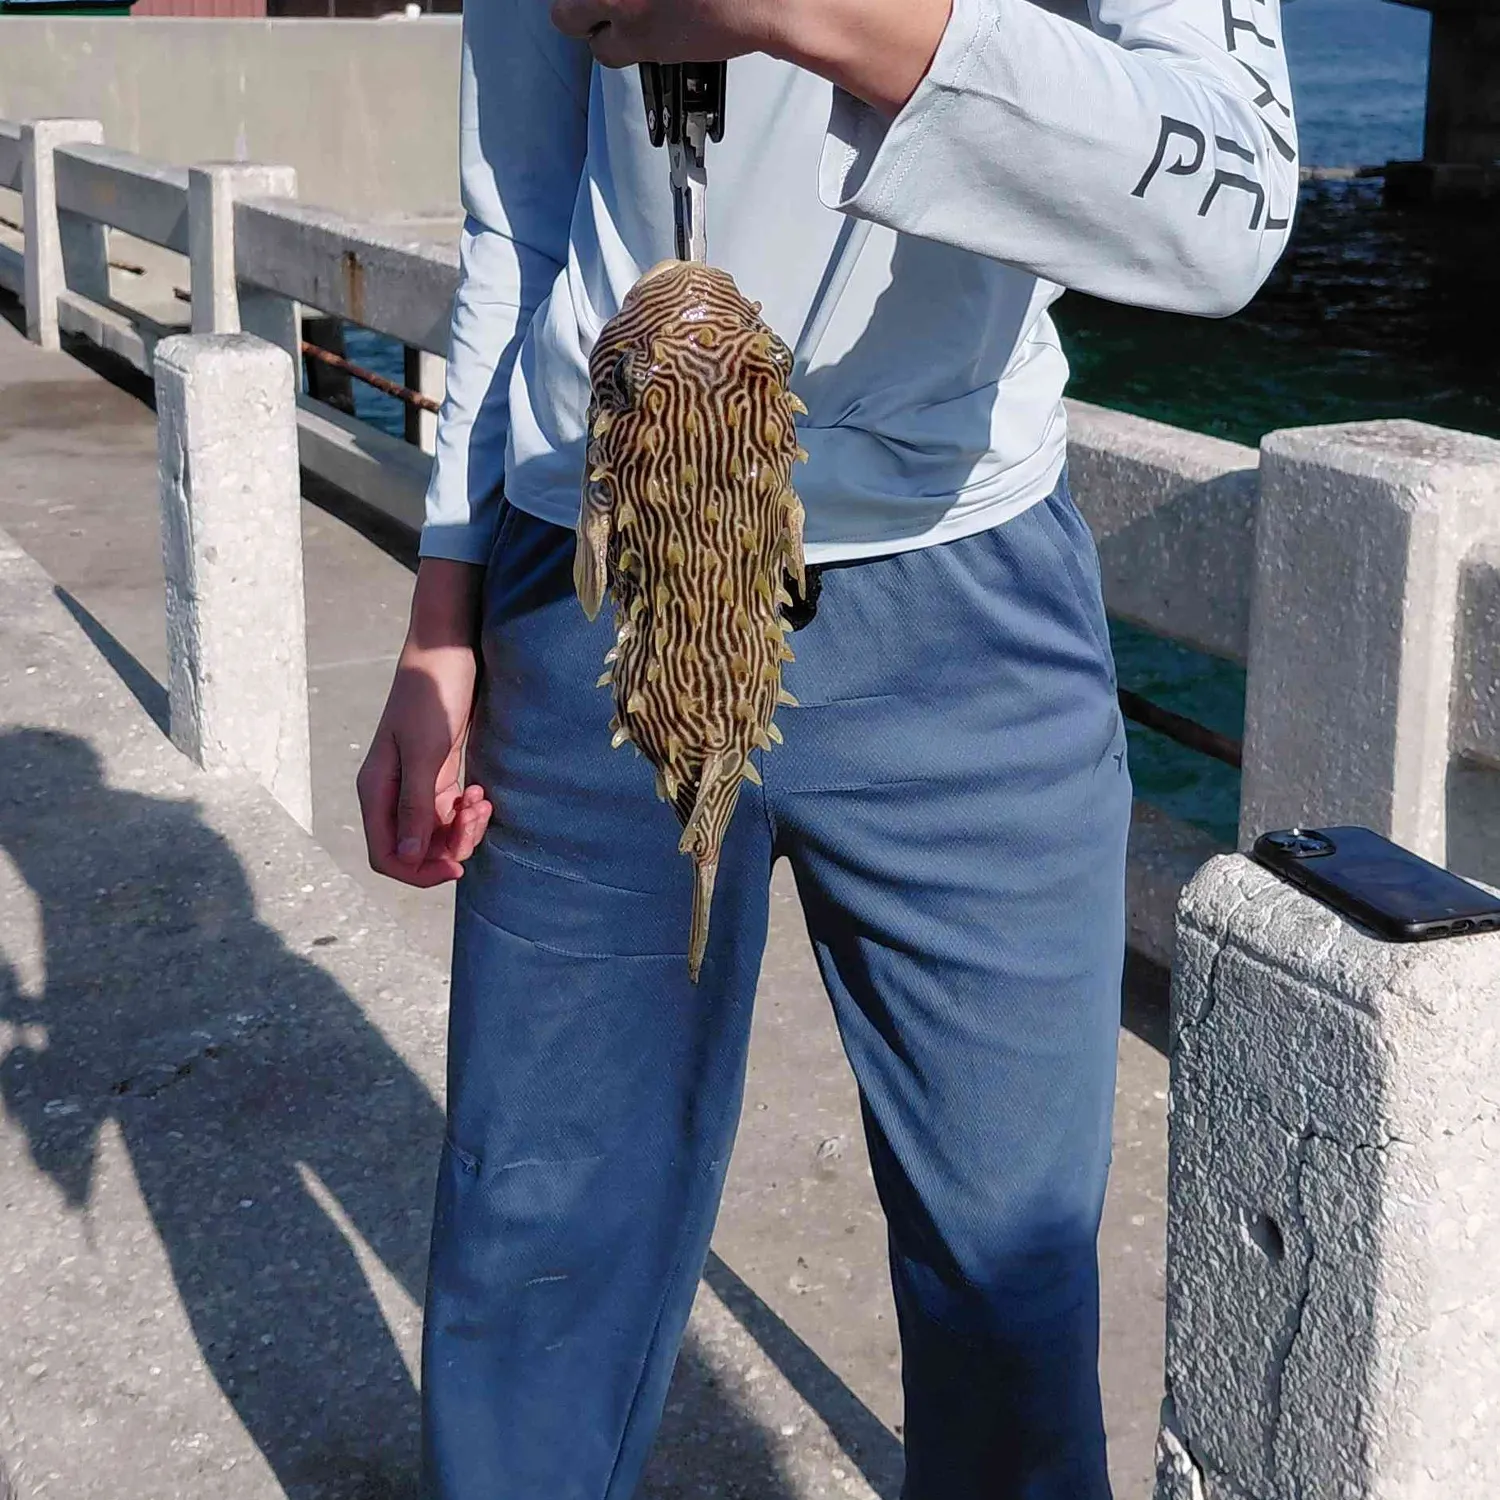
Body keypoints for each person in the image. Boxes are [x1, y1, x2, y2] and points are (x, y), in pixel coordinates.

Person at [357, 0, 1297, 1493]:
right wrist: (441, 616)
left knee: (1012, 1270)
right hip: (589, 573)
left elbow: (1232, 203)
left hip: (965, 603)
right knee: (533, 1230)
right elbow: (520, 229)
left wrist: (809, 14)